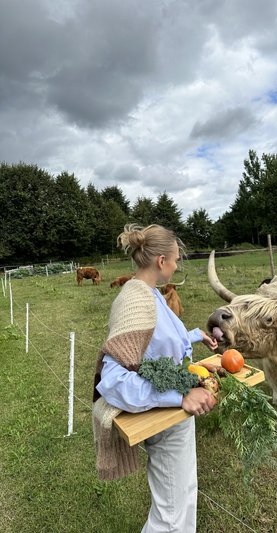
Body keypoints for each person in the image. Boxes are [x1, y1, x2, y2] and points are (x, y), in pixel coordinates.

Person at [92, 223, 218, 533]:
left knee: (184, 493)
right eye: (176, 258)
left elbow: (155, 341)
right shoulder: (136, 300)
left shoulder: (149, 293)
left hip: (173, 413)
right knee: (170, 516)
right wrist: (179, 397)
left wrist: (193, 336)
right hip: (165, 414)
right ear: (161, 261)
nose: (177, 265)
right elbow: (112, 380)